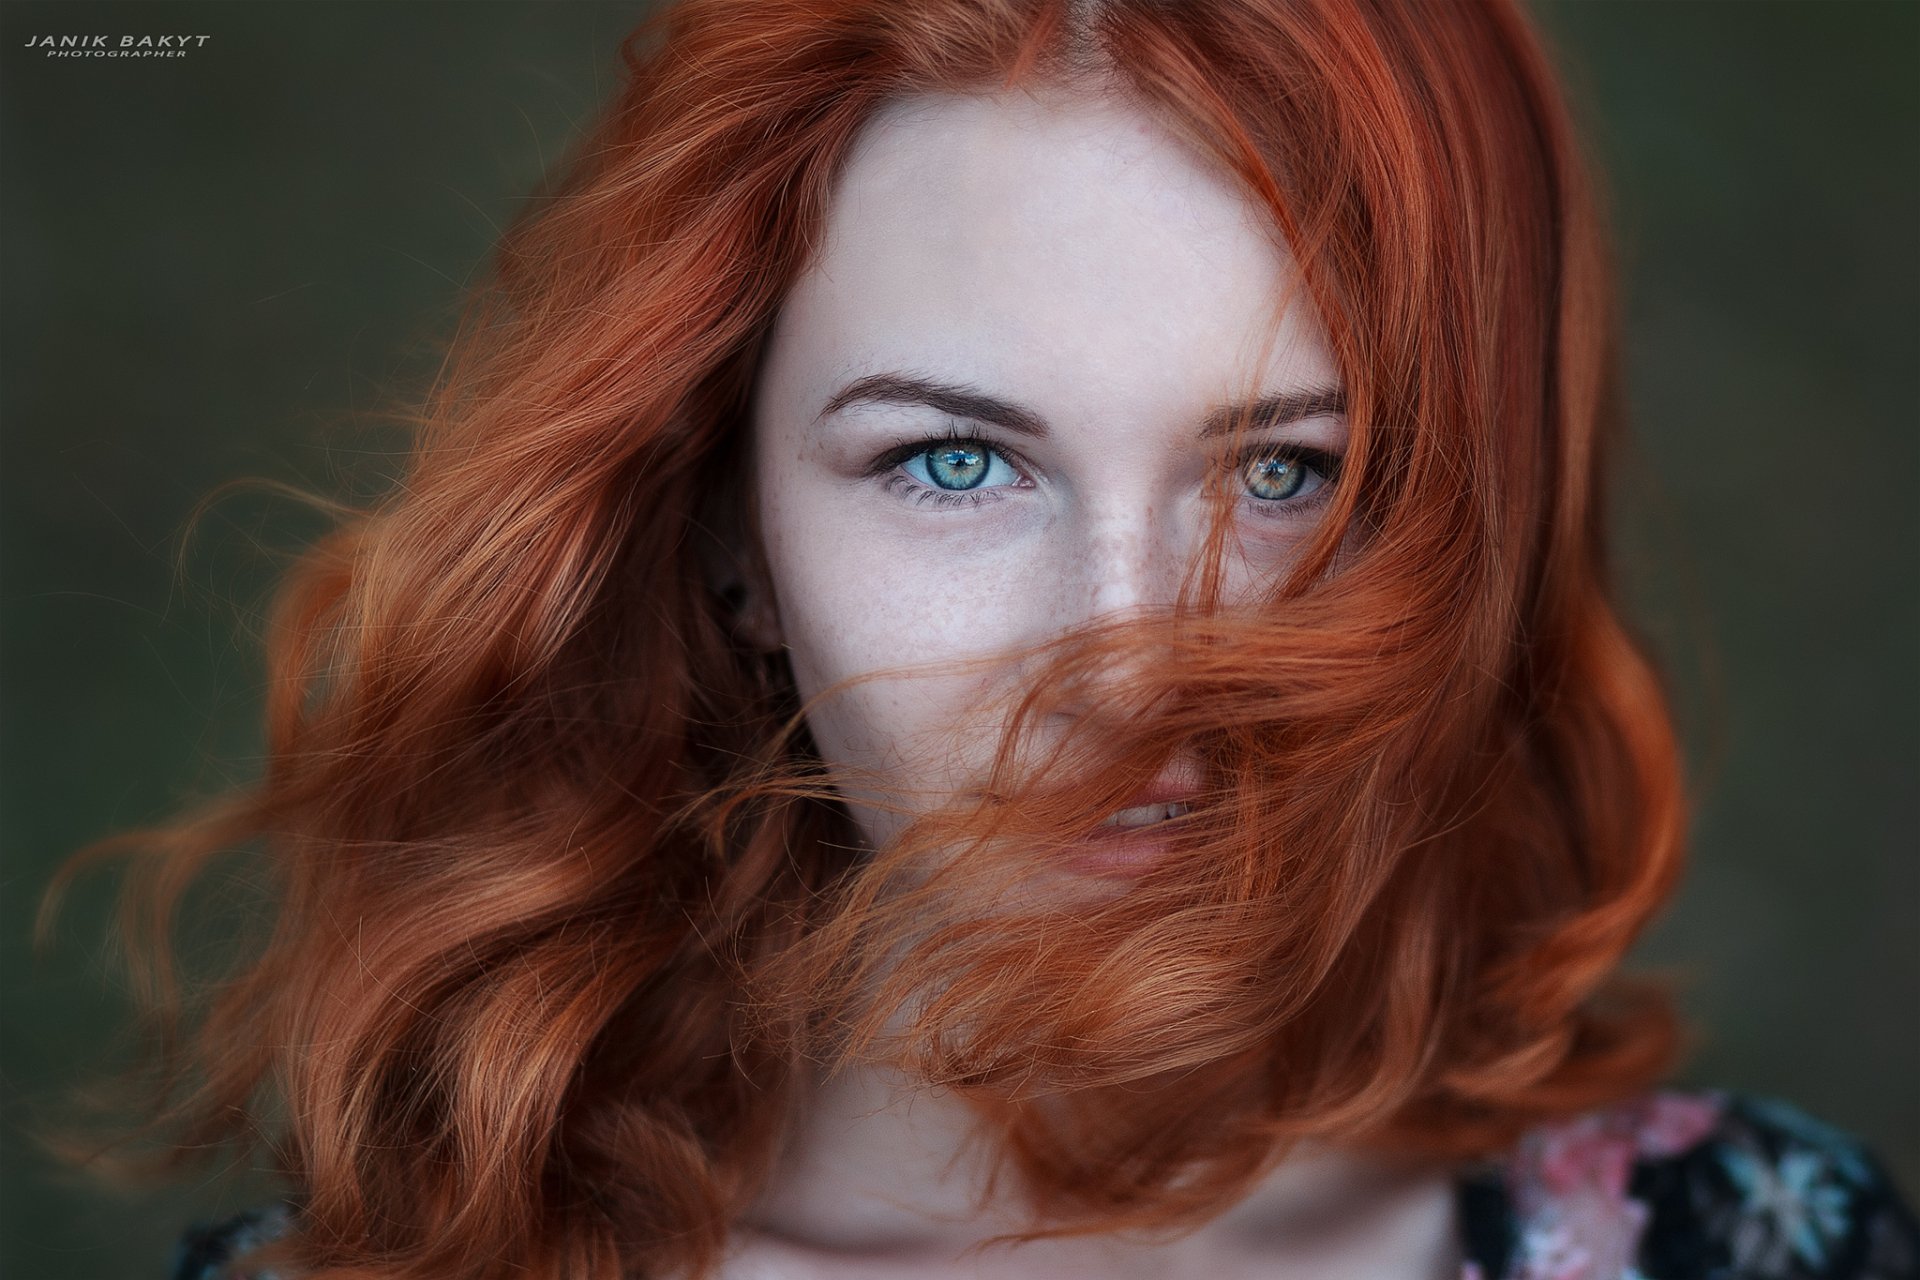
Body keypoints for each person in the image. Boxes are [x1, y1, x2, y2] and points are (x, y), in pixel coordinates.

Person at [41, 0, 1915, 1277]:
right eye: (952, 460)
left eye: (1291, 473)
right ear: (731, 543)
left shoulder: (1751, 1245)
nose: (1122, 665)